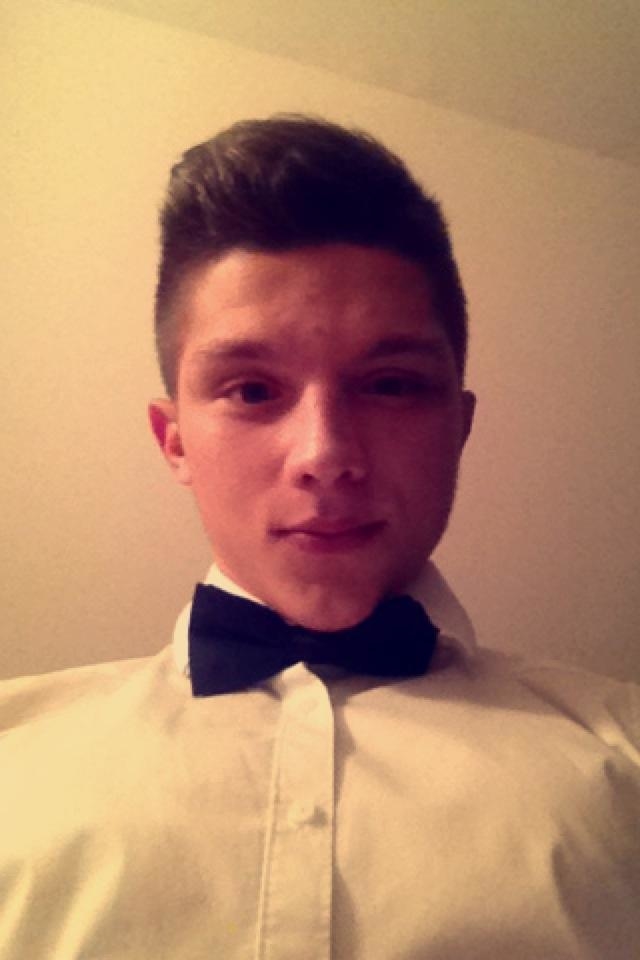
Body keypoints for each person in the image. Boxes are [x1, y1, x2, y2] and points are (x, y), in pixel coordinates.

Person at [1, 115, 638, 960]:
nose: (325, 455)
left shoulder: (624, 752)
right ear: (174, 440)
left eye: (391, 384)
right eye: (252, 390)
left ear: (459, 427)